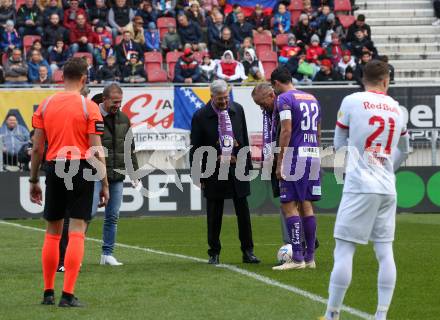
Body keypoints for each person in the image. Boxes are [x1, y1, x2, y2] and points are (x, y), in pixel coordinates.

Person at [320, 60, 410, 320]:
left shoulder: (352, 101)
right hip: (386, 187)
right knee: (384, 251)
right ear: (385, 80)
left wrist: (349, 169)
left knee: (345, 250)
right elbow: (405, 149)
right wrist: (387, 168)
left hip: (360, 185)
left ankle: (332, 314)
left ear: (363, 79)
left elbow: (338, 142)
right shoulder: (396, 108)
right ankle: (381, 315)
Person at [30, 57, 109, 307]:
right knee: (77, 230)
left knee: (52, 233)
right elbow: (96, 150)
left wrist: (34, 179)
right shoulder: (89, 107)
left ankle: (47, 292)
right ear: (84, 78)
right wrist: (104, 182)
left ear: (62, 77)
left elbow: (36, 148)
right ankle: (67, 295)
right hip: (81, 169)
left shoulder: (46, 104)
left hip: (54, 168)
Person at [189, 79, 260, 265]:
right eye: (220, 99)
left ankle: (248, 251)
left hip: (237, 169)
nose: (224, 102)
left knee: (243, 213)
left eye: (226, 98)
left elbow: (243, 138)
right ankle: (214, 253)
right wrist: (198, 173)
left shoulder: (238, 110)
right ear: (211, 96)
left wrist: (247, 164)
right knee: (214, 214)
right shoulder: (200, 116)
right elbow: (195, 148)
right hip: (213, 171)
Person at [270, 66, 321, 271]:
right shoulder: (312, 98)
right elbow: (317, 130)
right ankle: (310, 258)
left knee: (288, 205)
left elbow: (287, 129)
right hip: (312, 154)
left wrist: (280, 160)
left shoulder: (284, 99)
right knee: (306, 205)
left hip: (295, 156)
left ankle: (297, 258)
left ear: (276, 83)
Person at [94, 83, 138, 265]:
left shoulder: (124, 118)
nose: (117, 105)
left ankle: (107, 254)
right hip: (93, 174)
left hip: (117, 175)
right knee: (85, 215)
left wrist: (134, 174)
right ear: (104, 99)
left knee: (113, 216)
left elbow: (130, 148)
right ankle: (75, 254)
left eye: (120, 102)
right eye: (114, 101)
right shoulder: (92, 116)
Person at [251, 83, 291, 245]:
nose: (261, 108)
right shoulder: (268, 114)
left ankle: (293, 243)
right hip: (277, 162)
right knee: (287, 203)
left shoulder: (284, 110)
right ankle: (298, 241)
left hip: (290, 161)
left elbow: (287, 134)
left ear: (271, 96)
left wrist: (280, 161)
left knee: (291, 203)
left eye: (261, 103)